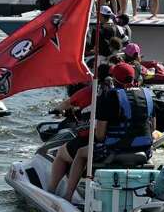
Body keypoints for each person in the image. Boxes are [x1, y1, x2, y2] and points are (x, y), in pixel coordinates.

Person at [50, 63, 157, 202]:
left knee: (82, 153)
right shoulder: (147, 95)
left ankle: (68, 196)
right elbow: (153, 128)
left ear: (115, 79)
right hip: (145, 151)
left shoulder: (110, 97)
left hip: (115, 150)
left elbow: (100, 135)